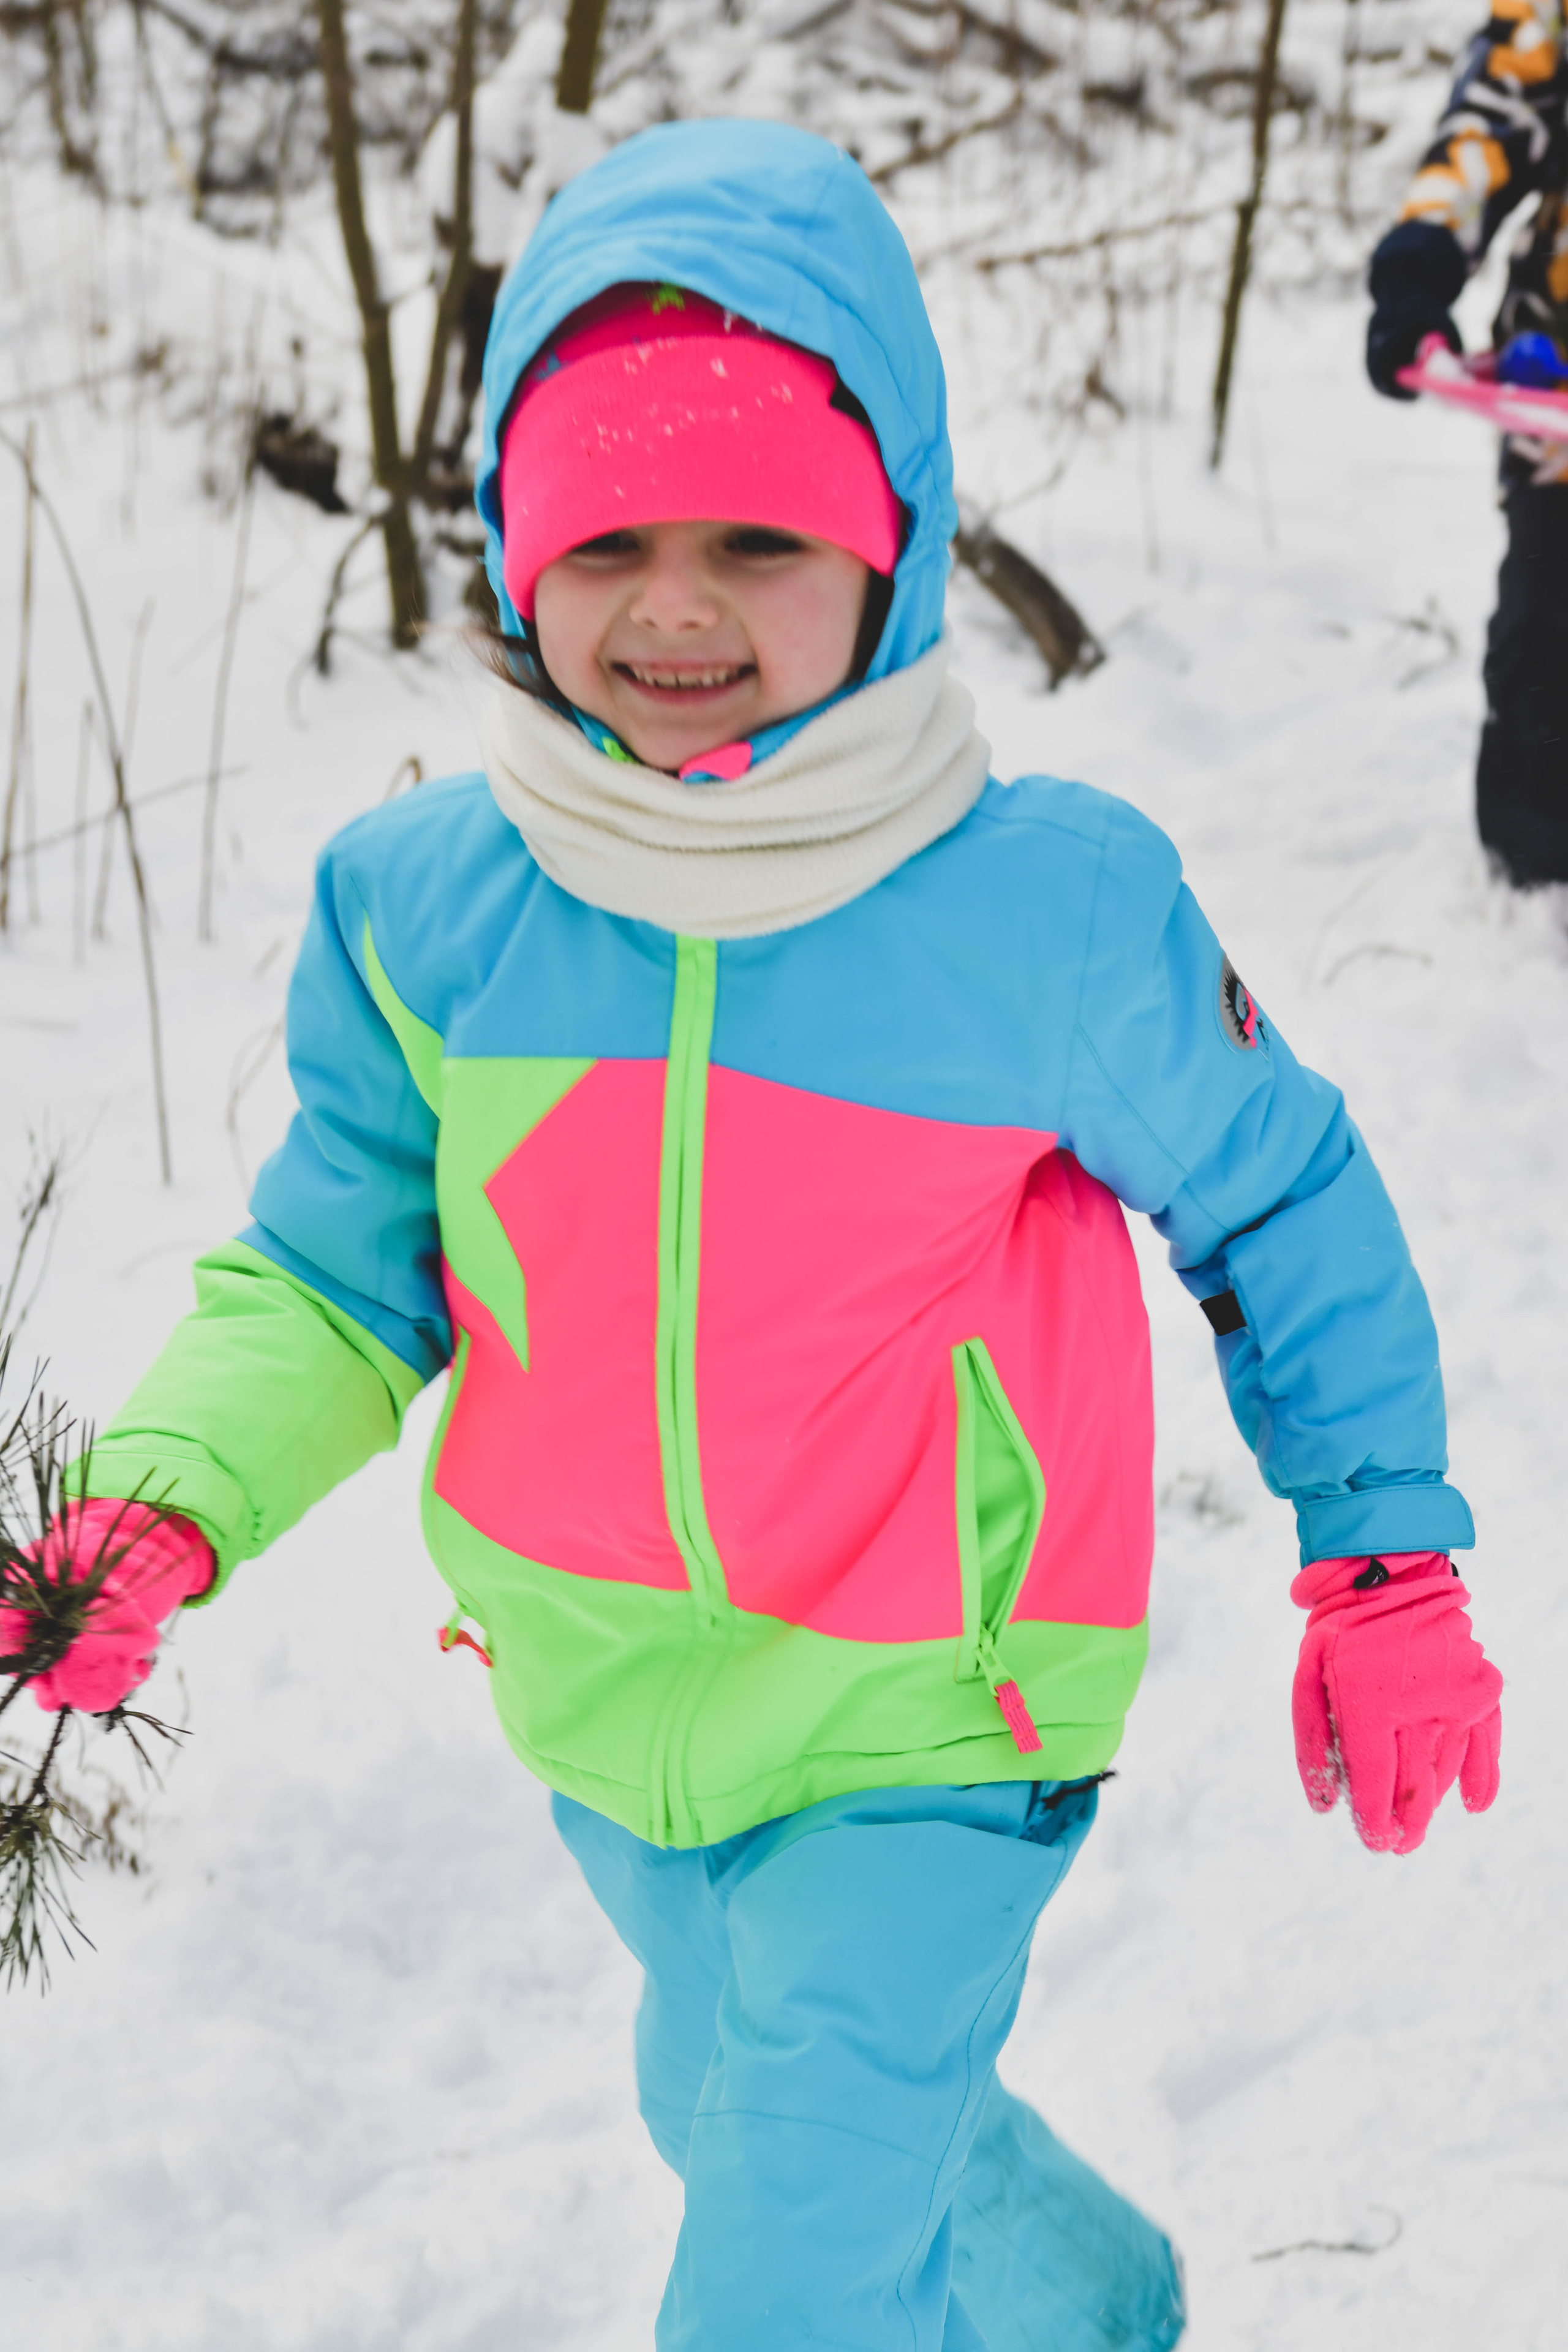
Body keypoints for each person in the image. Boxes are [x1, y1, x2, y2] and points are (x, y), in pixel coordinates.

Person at [10, 121, 1502, 2351]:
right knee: (731, 2102)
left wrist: (1380, 1545)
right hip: (606, 1699)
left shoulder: (1044, 911)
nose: (678, 605)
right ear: (515, 548)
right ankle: (1095, 2307)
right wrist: (163, 1494)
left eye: (756, 538)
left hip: (938, 1711)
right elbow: (334, 1273)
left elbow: (1277, 1191)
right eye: (604, 538)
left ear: (888, 545)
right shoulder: (430, 913)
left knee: (790, 2256)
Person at [1366, 0, 1568, 884]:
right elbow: (1493, 118)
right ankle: (1529, 885)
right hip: (1554, 380)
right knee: (1545, 629)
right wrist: (1422, 265)